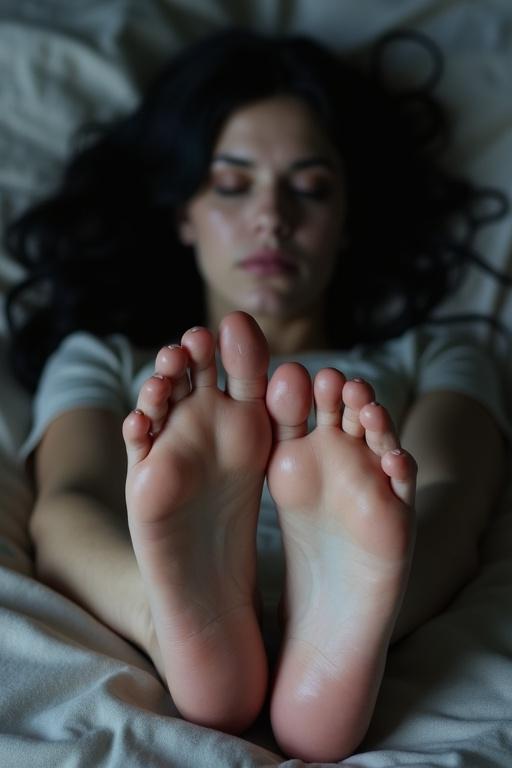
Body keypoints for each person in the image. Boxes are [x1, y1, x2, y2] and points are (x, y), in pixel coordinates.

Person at [4, 27, 509, 763]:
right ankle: (175, 621)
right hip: (165, 575)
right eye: (232, 183)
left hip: (375, 573)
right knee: (77, 514)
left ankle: (332, 622)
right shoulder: (105, 357)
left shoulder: (438, 353)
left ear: (347, 222)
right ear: (182, 212)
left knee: (430, 500)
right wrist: (154, 613)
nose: (272, 215)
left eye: (309, 187)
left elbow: (456, 498)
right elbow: (69, 503)